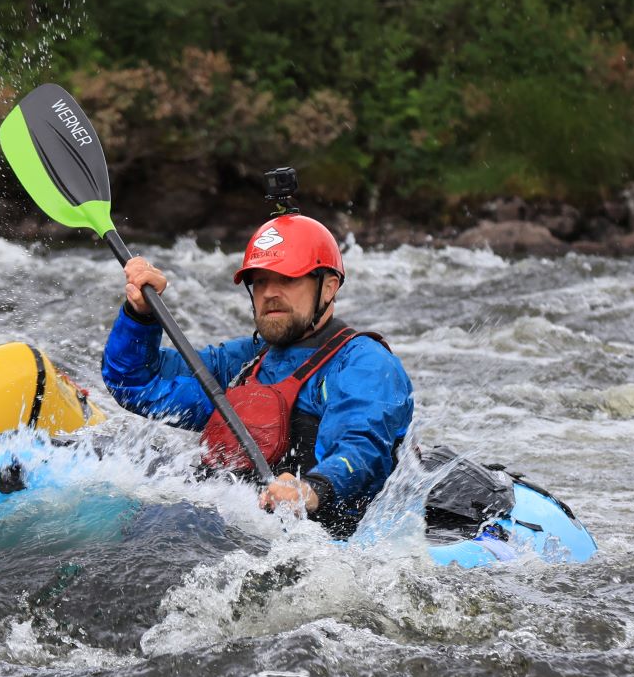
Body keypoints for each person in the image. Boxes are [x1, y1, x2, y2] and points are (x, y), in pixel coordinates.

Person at [107, 211, 414, 536]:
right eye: (261, 280)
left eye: (288, 279)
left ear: (328, 288)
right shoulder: (244, 361)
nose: (269, 292)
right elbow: (136, 383)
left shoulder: (364, 363)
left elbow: (362, 448)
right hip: (229, 531)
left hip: (323, 546)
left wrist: (308, 490)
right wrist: (139, 315)